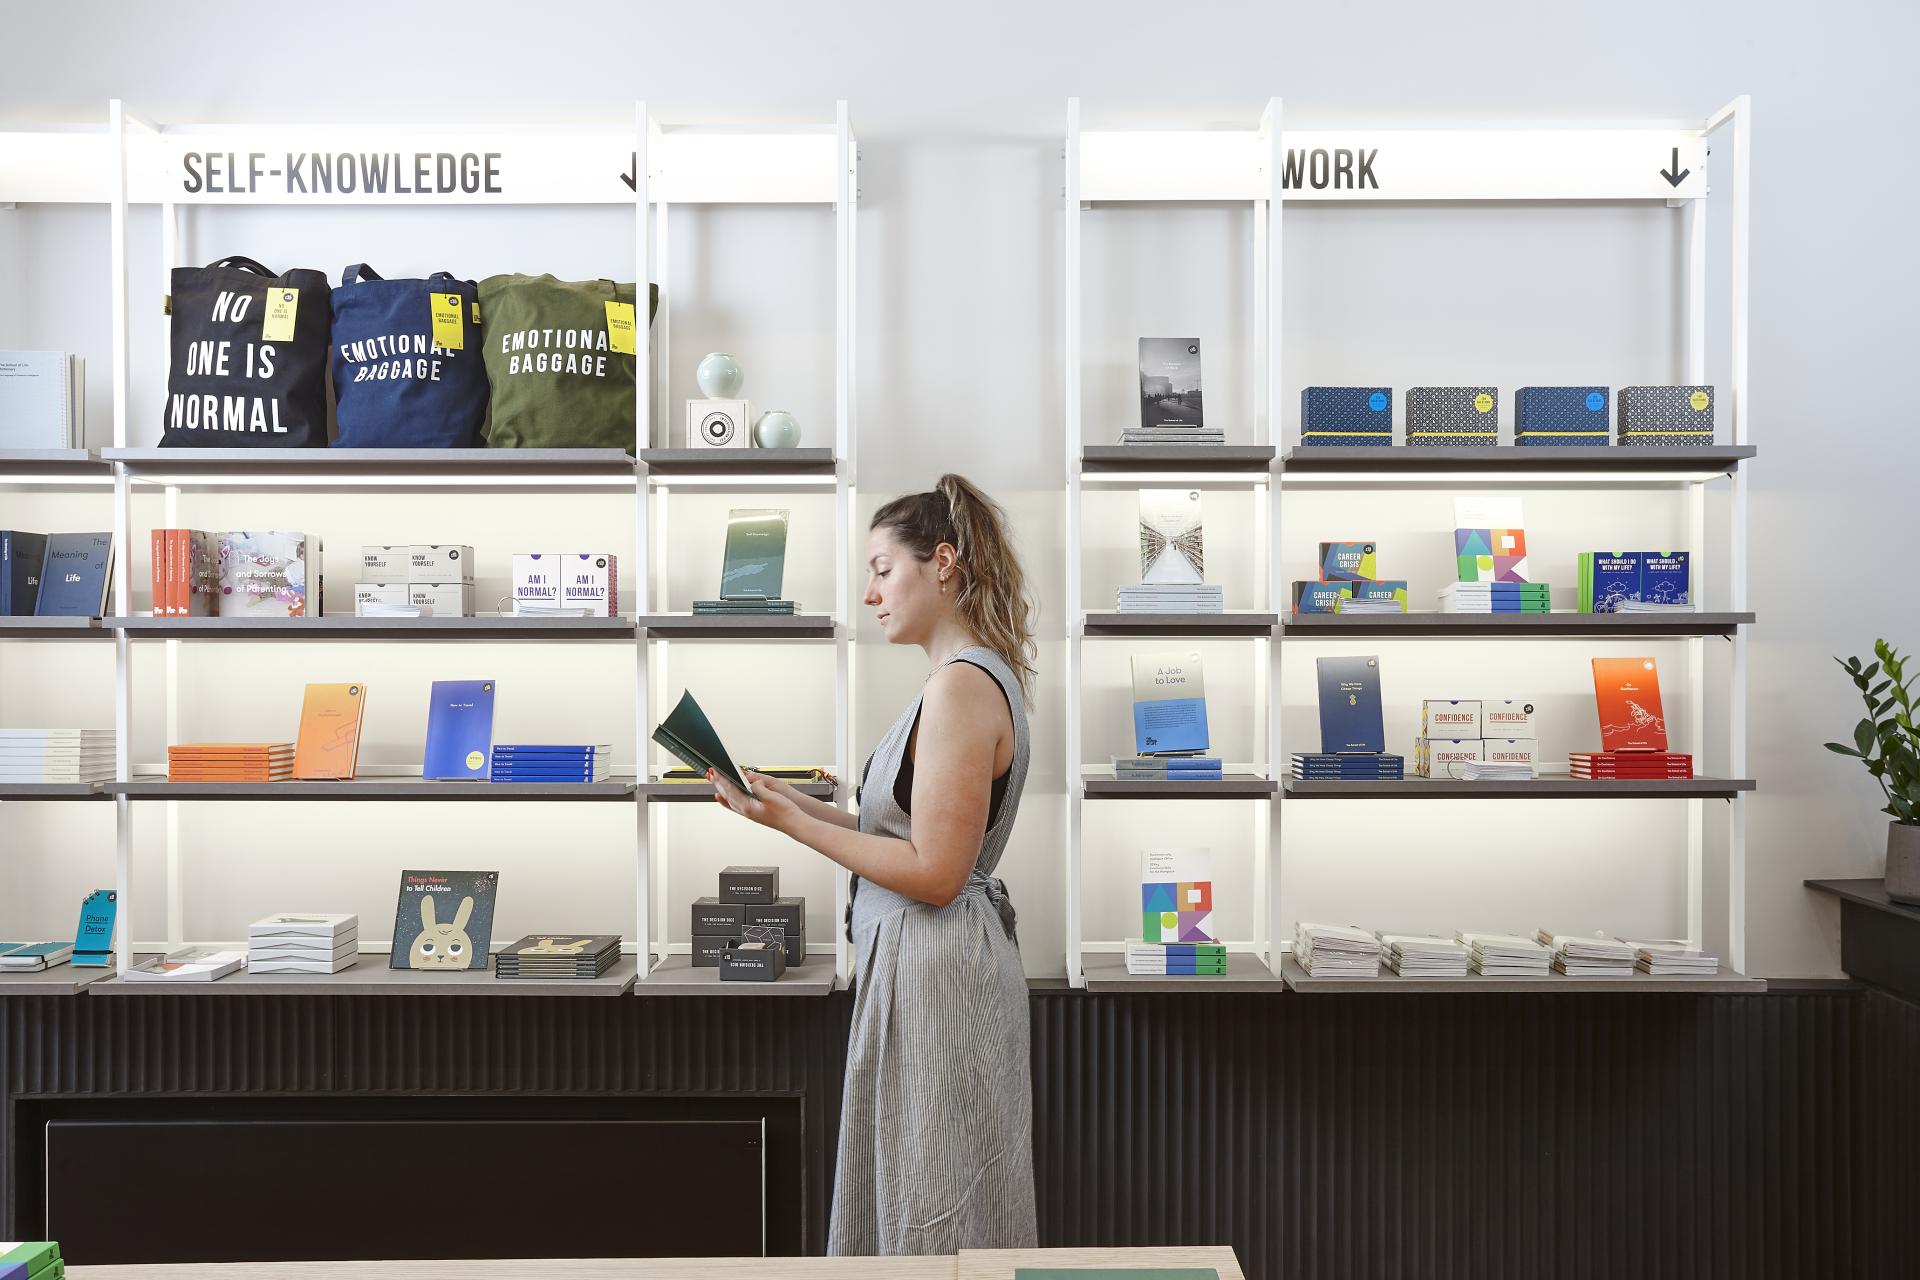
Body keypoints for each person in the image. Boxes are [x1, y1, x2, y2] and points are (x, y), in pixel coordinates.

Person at [707, 472, 1038, 1256]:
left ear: (944, 564)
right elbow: (910, 836)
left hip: (937, 968)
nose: (870, 593)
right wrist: (797, 805)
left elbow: (935, 872)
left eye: (883, 570)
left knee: (936, 1195)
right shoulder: (962, 682)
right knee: (921, 1182)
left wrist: (791, 824)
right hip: (928, 964)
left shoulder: (960, 689)